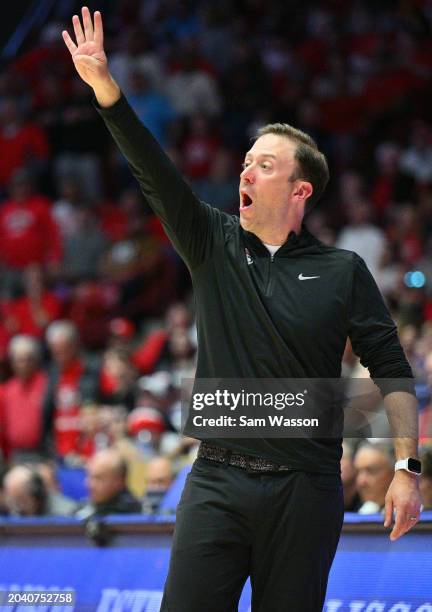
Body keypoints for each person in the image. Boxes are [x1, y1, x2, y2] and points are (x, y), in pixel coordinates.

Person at [63, 9, 421, 611]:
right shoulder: (211, 241)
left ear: (299, 189)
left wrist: (407, 467)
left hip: (305, 491)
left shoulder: (342, 271)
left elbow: (391, 366)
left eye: (264, 163)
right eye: (247, 158)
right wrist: (107, 91)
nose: (245, 169)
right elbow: (155, 174)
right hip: (216, 481)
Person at [75, 448, 142, 519]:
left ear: (118, 482)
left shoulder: (136, 515)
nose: (89, 484)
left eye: (98, 478)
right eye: (89, 476)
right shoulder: (82, 510)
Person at [354, 441, 396, 514]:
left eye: (372, 471)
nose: (361, 481)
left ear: (394, 474)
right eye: (357, 472)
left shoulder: (417, 515)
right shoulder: (362, 512)